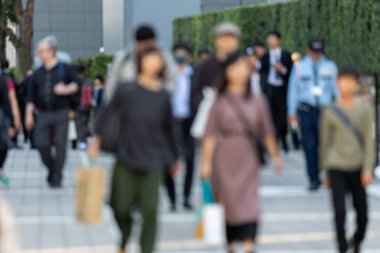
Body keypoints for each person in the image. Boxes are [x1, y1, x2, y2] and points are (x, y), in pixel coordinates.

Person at [88, 47, 180, 253]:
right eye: (148, 58)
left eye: (157, 59)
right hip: (126, 156)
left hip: (154, 160)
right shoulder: (126, 89)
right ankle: (125, 235)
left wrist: (174, 159)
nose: (153, 62)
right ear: (140, 62)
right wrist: (96, 142)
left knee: (150, 210)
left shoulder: (163, 95)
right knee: (118, 206)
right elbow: (106, 114)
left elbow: (169, 129)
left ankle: (146, 249)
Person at [200, 52, 283, 253]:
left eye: (243, 67)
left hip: (248, 156)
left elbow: (267, 130)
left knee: (249, 200)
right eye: (234, 67)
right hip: (224, 156)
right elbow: (209, 134)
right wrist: (206, 163)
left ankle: (248, 243)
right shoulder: (218, 101)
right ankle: (230, 244)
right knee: (226, 200)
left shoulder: (257, 100)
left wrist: (275, 156)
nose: (238, 71)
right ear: (226, 71)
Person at [320, 66, 374, 253]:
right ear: (336, 83)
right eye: (343, 80)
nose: (346, 85)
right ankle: (342, 247)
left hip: (358, 165)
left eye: (350, 81)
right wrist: (325, 171)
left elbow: (369, 140)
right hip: (336, 166)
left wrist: (368, 169)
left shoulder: (365, 109)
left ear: (356, 84)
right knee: (339, 211)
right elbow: (325, 143)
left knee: (363, 215)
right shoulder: (330, 111)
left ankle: (357, 239)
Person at [25, 35, 81, 188]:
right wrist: (29, 114)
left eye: (42, 51)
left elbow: (77, 84)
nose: (39, 54)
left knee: (61, 145)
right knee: (41, 144)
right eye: (39, 51)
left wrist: (65, 90)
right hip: (42, 114)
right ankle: (53, 169)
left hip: (61, 113)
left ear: (51, 51)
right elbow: (30, 97)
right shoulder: (37, 73)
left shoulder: (65, 68)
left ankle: (56, 176)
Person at [288, 38, 339, 191]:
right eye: (314, 52)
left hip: (325, 110)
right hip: (306, 110)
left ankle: (329, 176)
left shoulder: (330, 66)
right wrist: (291, 113)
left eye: (319, 52)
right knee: (309, 146)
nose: (317, 55)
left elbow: (337, 89)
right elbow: (293, 91)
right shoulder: (300, 67)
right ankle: (313, 179)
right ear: (308, 51)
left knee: (327, 145)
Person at [105, 24, 177, 102]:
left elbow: (173, 82)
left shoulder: (164, 57)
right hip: (128, 105)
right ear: (136, 43)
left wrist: (160, 89)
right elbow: (112, 84)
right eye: (144, 44)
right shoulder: (124, 58)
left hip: (154, 104)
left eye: (150, 43)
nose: (147, 47)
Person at [165, 43, 195, 211]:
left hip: (189, 122)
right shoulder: (168, 75)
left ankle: (186, 198)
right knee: (169, 160)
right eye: (178, 55)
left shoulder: (194, 75)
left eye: (184, 55)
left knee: (190, 160)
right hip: (171, 122)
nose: (181, 58)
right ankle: (172, 199)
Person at [191, 22, 241, 112]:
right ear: (215, 41)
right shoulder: (206, 66)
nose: (228, 42)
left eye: (232, 39)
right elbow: (195, 93)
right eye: (223, 38)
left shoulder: (241, 64)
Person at [260, 31, 293, 152]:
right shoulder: (265, 56)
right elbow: (262, 74)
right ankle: (273, 141)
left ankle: (284, 139)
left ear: (279, 40)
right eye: (269, 39)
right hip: (270, 88)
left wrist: (282, 69)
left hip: (282, 89)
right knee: (270, 115)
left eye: (273, 39)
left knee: (282, 115)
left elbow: (290, 73)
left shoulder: (286, 55)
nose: (271, 41)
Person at [0, 63, 21, 186]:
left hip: (2, 117)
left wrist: (16, 118)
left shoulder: (6, 79)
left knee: (3, 145)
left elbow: (12, 98)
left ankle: (0, 168)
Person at [75, 65, 93, 150]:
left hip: (78, 105)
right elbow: (92, 93)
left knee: (79, 123)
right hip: (87, 105)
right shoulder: (88, 81)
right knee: (85, 122)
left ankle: (82, 141)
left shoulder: (75, 81)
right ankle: (84, 141)